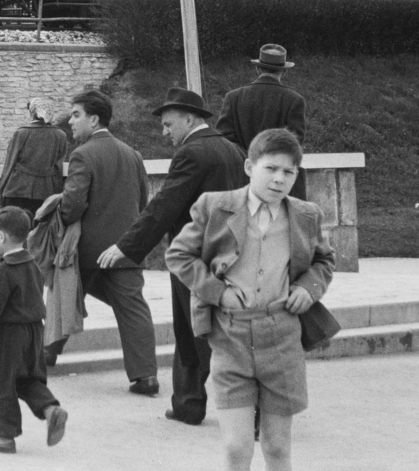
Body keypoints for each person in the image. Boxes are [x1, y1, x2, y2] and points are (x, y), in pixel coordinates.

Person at [166, 129, 336, 471]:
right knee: (236, 447)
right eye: (270, 168)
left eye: (289, 172)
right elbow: (179, 255)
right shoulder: (215, 206)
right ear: (248, 167)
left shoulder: (306, 215)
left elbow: (324, 261)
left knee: (276, 448)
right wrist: (217, 291)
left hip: (282, 338)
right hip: (230, 339)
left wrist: (308, 288)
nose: (279, 179)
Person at [99, 87, 249, 426]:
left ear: (190, 119)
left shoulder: (191, 154)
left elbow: (165, 206)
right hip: (232, 256)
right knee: (220, 330)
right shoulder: (233, 150)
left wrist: (126, 247)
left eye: (168, 125)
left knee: (191, 331)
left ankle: (193, 404)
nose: (164, 132)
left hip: (194, 259)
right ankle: (190, 403)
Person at [41, 89, 159, 397]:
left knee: (64, 295)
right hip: (125, 250)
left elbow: (73, 204)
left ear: (94, 120)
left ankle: (46, 355)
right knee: (132, 308)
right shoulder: (132, 154)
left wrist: (60, 218)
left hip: (87, 250)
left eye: (76, 115)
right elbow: (142, 200)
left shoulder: (83, 154)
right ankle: (146, 377)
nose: (71, 121)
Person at [0, 206, 70, 454]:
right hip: (34, 331)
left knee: (2, 384)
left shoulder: (3, 270)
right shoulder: (33, 264)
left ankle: (5, 436)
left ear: (1, 237)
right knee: (27, 379)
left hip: (11, 334)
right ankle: (51, 409)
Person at [216, 45, 308, 200]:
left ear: (258, 69)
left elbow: (224, 139)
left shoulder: (233, 97)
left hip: (243, 178)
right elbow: (294, 141)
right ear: (284, 71)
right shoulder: (294, 100)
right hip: (278, 183)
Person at [0, 99, 69, 219]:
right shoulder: (60, 135)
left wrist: (1, 188)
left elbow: (10, 163)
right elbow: (58, 166)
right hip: (47, 191)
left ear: (32, 112)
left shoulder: (21, 133)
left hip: (18, 189)